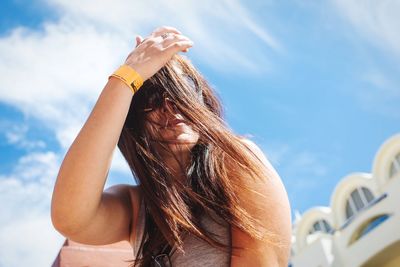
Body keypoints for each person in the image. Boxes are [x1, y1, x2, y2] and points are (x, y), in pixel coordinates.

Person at [51, 26, 292, 267]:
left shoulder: (234, 160)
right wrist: (126, 79)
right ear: (133, 118)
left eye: (184, 90)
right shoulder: (139, 205)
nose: (171, 106)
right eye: (152, 98)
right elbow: (71, 219)